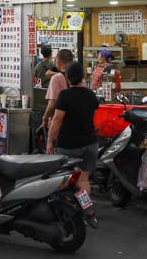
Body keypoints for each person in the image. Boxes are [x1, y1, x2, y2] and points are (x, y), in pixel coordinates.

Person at [46, 61, 99, 197]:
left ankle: (69, 208)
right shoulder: (91, 95)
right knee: (83, 179)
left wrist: (50, 141)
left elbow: (57, 120)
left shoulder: (64, 96)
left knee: (66, 178)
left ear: (68, 78)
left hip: (69, 145)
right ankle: (85, 208)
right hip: (90, 143)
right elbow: (94, 116)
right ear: (82, 77)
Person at [42, 48, 75, 131]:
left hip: (59, 124)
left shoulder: (56, 78)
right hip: (76, 122)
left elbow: (52, 103)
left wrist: (45, 118)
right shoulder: (80, 78)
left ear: (58, 61)